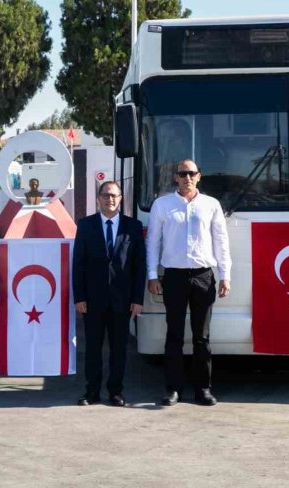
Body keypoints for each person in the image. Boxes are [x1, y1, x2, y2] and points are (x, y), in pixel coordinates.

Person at [146, 159, 231, 407]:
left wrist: (225, 275)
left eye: (191, 173)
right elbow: (152, 242)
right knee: (173, 335)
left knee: (201, 337)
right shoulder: (162, 205)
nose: (187, 177)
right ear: (176, 177)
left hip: (204, 276)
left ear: (199, 176)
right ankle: (172, 389)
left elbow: (221, 242)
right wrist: (152, 275)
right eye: (182, 173)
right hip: (173, 277)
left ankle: (203, 389)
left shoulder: (211, 205)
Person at [73, 180, 145, 407]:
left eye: (114, 195)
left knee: (119, 350)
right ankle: (91, 392)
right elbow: (78, 264)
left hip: (122, 301)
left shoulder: (132, 226)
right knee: (93, 349)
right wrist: (80, 297)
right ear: (98, 198)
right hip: (93, 300)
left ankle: (116, 392)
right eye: (105, 195)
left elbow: (139, 266)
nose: (110, 199)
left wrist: (137, 299)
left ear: (121, 199)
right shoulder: (85, 225)